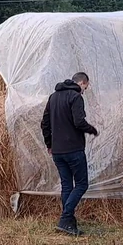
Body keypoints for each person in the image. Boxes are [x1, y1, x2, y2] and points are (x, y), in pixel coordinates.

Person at [41, 72, 99, 235]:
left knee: (67, 185)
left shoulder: (53, 97)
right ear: (82, 82)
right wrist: (92, 130)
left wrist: (49, 144)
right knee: (82, 184)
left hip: (58, 151)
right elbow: (79, 121)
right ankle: (65, 217)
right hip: (73, 149)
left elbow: (44, 123)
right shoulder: (75, 97)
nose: (85, 90)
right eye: (85, 87)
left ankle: (68, 223)